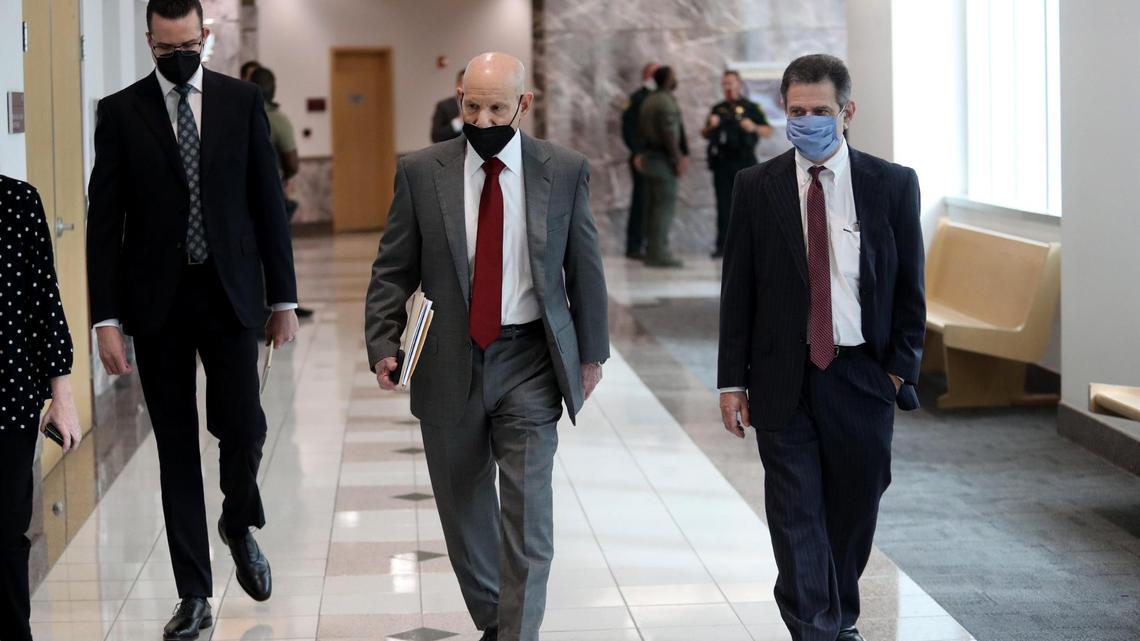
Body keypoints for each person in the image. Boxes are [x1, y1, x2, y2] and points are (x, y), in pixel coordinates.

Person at [365, 52, 609, 641]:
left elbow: (585, 266)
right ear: (458, 96)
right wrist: (381, 340)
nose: (483, 118)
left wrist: (591, 352)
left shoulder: (564, 169)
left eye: (498, 107)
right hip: (448, 356)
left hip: (529, 358)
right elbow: (392, 268)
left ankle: (517, 633)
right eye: (472, 105)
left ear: (524, 104)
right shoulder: (423, 171)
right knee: (464, 508)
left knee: (528, 513)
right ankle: (497, 621)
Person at [86, 1, 299, 639]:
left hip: (231, 294)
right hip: (158, 304)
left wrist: (283, 299)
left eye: (187, 45)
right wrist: (106, 318)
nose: (177, 57)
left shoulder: (239, 103)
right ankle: (195, 595)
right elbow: (104, 225)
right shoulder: (120, 113)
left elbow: (267, 202)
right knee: (176, 449)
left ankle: (238, 520)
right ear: (148, 40)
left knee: (244, 427)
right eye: (164, 47)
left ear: (203, 36)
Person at [718, 54, 925, 641]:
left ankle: (839, 617)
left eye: (820, 111)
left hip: (862, 375)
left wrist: (897, 373)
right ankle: (817, 628)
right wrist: (733, 382)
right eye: (797, 111)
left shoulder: (891, 184)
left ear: (847, 111)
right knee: (794, 514)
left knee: (852, 512)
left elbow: (911, 289)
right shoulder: (755, 186)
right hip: (784, 377)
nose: (807, 121)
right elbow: (739, 292)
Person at [0, 176, 82, 641]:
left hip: (8, 398)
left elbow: (43, 301)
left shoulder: (16, 201)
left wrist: (63, 398)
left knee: (7, 535)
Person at [249, 66, 313, 319]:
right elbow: (292, 163)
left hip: (238, 202)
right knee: (276, 248)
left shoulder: (234, 114)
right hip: (270, 197)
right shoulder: (277, 119)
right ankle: (282, 303)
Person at [702, 70, 772, 258]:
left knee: (749, 205)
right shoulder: (718, 109)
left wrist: (753, 127)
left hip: (745, 161)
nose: (728, 87)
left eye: (731, 83)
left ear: (739, 84)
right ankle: (723, 246)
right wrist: (712, 125)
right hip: (723, 162)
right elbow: (705, 133)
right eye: (724, 84)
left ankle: (751, 246)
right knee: (723, 206)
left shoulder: (751, 108)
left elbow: (767, 131)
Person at [635, 65, 689, 268]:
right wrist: (677, 159)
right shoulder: (664, 101)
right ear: (666, 79)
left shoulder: (650, 99)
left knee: (652, 208)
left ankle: (651, 251)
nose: (676, 79)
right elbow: (669, 133)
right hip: (662, 162)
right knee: (662, 209)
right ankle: (659, 253)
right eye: (674, 76)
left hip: (651, 159)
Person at [620, 62, 657, 259]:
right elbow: (629, 128)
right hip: (642, 158)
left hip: (659, 160)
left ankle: (653, 244)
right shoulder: (638, 99)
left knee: (655, 203)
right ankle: (634, 245)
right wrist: (637, 152)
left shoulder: (660, 97)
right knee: (641, 201)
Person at [430, 69, 465, 143]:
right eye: (464, 83)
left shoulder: (480, 106)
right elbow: (435, 136)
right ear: (458, 84)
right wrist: (459, 122)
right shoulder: (444, 106)